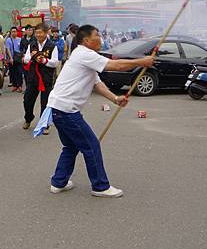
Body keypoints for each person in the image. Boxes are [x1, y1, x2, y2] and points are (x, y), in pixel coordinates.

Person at [47, 24, 155, 197]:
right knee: (91, 145)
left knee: (71, 146)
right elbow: (117, 65)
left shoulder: (83, 56)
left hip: (59, 108)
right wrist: (142, 61)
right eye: (97, 35)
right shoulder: (84, 53)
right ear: (86, 40)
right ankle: (100, 186)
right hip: (66, 110)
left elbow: (97, 83)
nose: (101, 38)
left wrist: (115, 99)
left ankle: (58, 182)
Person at [22, 22, 59, 133]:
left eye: (40, 32)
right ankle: (28, 118)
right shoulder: (32, 44)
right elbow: (26, 59)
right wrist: (34, 57)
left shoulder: (52, 46)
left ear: (46, 32)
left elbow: (55, 62)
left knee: (46, 102)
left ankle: (45, 124)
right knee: (27, 100)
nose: (37, 35)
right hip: (33, 77)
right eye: (36, 32)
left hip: (46, 77)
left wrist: (44, 60)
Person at [5, 26, 23, 92]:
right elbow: (8, 49)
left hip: (19, 59)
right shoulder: (8, 40)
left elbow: (21, 49)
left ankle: (20, 85)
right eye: (12, 32)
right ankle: (15, 85)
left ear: (17, 32)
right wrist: (11, 58)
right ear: (10, 32)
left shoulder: (20, 39)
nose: (14, 33)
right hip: (12, 59)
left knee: (19, 72)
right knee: (13, 73)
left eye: (15, 31)